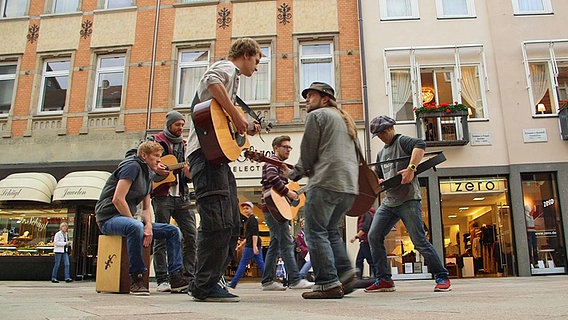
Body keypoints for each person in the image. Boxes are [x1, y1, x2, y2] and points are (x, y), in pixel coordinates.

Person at [185, 37, 262, 302]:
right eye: (257, 60)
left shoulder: (232, 81)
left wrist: (245, 127)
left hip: (216, 160)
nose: (257, 67)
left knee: (229, 221)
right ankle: (204, 285)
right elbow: (210, 80)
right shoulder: (228, 68)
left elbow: (224, 125)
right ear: (246, 54)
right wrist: (237, 114)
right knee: (217, 222)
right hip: (205, 157)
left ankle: (210, 280)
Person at [287, 82, 359, 299]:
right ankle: (345, 273)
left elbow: (308, 152)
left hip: (326, 183)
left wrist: (293, 174)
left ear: (325, 99)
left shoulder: (317, 116)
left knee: (315, 232)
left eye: (311, 95)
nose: (306, 99)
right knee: (329, 231)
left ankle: (327, 282)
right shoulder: (347, 121)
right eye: (306, 96)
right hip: (348, 186)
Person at [365, 115, 451, 293]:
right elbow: (377, 174)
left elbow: (421, 144)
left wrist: (411, 168)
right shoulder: (381, 153)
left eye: (382, 132)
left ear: (390, 129)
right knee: (373, 236)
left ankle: (442, 276)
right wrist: (378, 179)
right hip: (389, 201)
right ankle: (384, 280)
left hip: (409, 199)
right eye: (377, 134)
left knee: (419, 241)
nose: (381, 136)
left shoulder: (402, 141)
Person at [95, 141, 189, 295]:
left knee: (173, 231)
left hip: (127, 218)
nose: (160, 160)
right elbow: (118, 199)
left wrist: (149, 227)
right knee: (135, 227)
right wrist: (136, 223)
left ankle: (176, 278)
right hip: (108, 218)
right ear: (144, 155)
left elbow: (146, 208)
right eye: (156, 156)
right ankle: (137, 279)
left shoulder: (148, 174)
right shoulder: (131, 166)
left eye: (161, 156)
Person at [148, 110, 197, 293]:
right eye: (178, 124)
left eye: (183, 125)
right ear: (170, 125)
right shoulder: (156, 141)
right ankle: (162, 278)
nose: (181, 128)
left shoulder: (185, 146)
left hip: (182, 196)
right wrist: (156, 167)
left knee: (191, 235)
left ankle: (187, 276)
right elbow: (145, 160)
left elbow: (189, 176)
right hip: (162, 196)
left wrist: (188, 173)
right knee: (161, 237)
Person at [260, 135, 314, 291]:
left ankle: (267, 281)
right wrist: (288, 193)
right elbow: (271, 178)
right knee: (286, 243)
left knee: (275, 243)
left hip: (275, 209)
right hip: (273, 209)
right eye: (285, 147)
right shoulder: (271, 161)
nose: (289, 150)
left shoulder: (281, 165)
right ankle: (296, 280)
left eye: (290, 147)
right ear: (276, 148)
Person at [228, 202, 265, 288]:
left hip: (251, 246)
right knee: (260, 263)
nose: (245, 210)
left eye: (247, 208)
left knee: (243, 263)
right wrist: (241, 244)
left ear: (252, 209)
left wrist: (254, 246)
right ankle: (267, 280)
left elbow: (254, 234)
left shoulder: (252, 220)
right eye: (244, 209)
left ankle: (233, 283)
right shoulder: (250, 220)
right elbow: (249, 235)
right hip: (252, 244)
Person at [350, 207, 378, 280]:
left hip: (366, 241)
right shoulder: (370, 213)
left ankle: (378, 277)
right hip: (365, 241)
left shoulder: (366, 214)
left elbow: (365, 228)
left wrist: (355, 237)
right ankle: (359, 278)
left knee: (370, 261)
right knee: (359, 260)